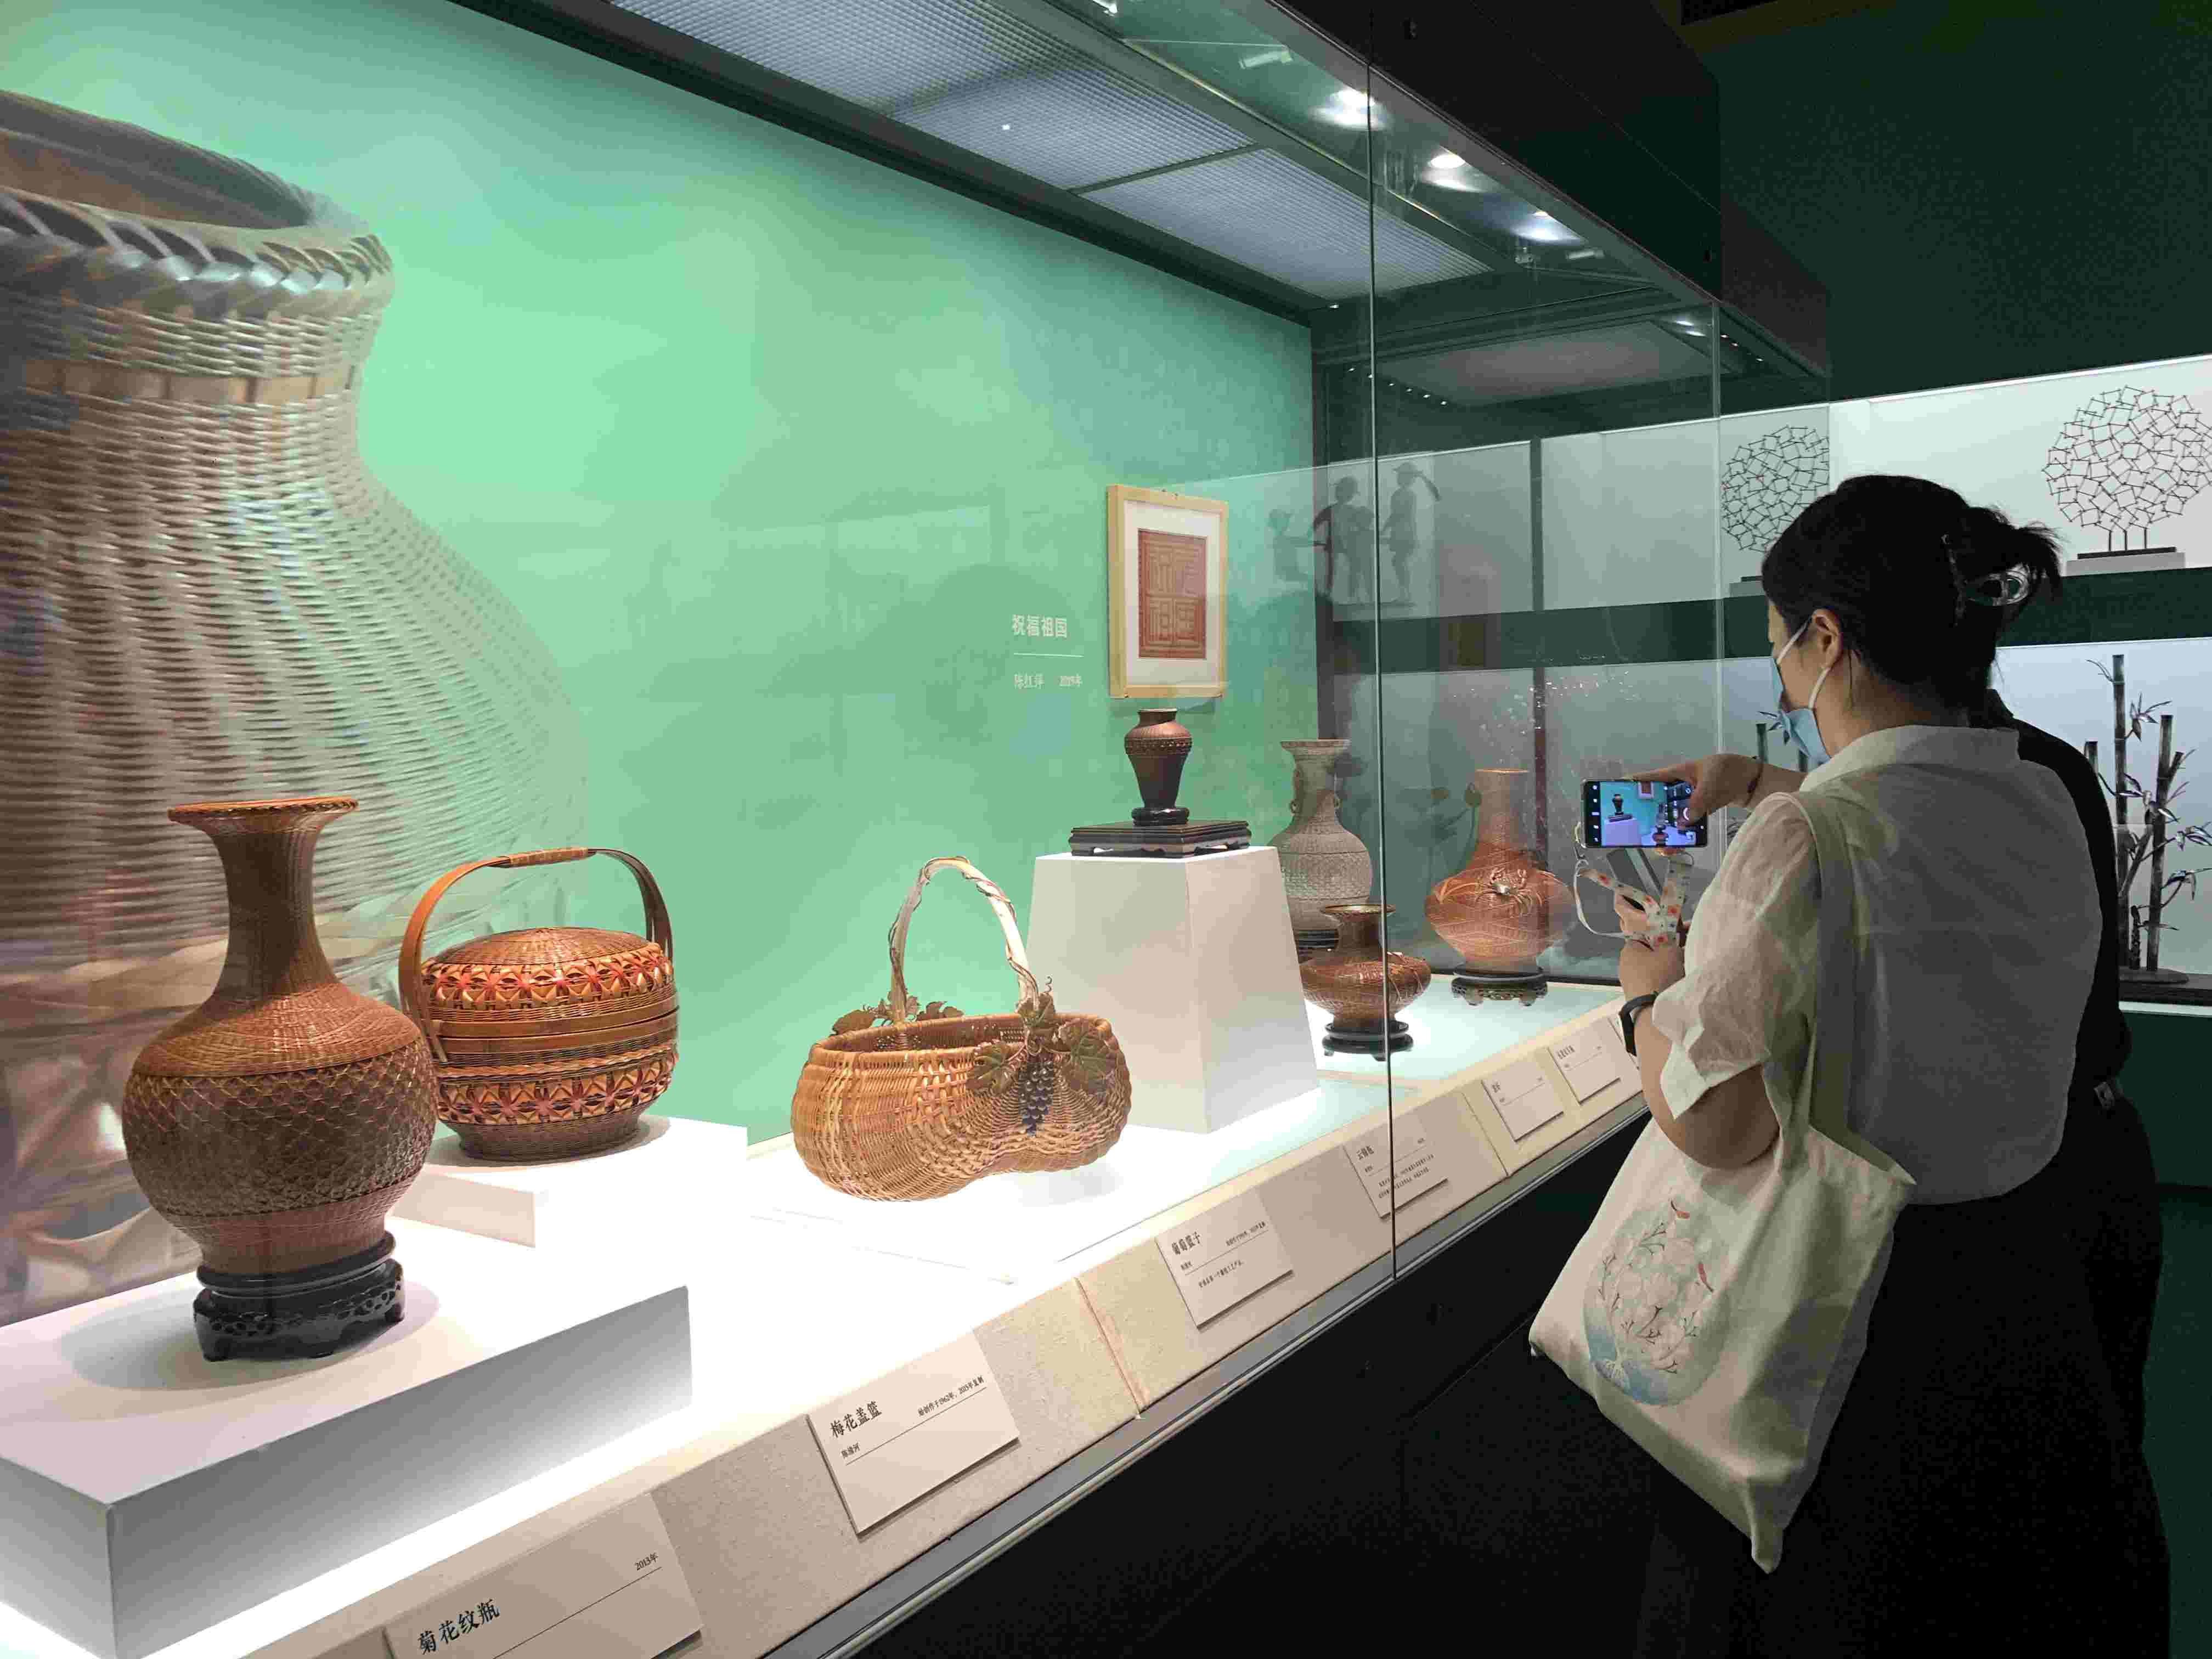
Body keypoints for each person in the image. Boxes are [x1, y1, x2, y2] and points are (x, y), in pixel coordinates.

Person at [1608, 475, 2169, 1655]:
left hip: (1853, 1308)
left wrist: (1648, 993)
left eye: (1779, 645)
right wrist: (1755, 785)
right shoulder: (2046, 791)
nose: (1780, 682)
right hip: (2022, 1282)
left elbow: (1718, 1122)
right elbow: (1903, 825)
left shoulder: (1797, 840)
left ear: (1825, 639)